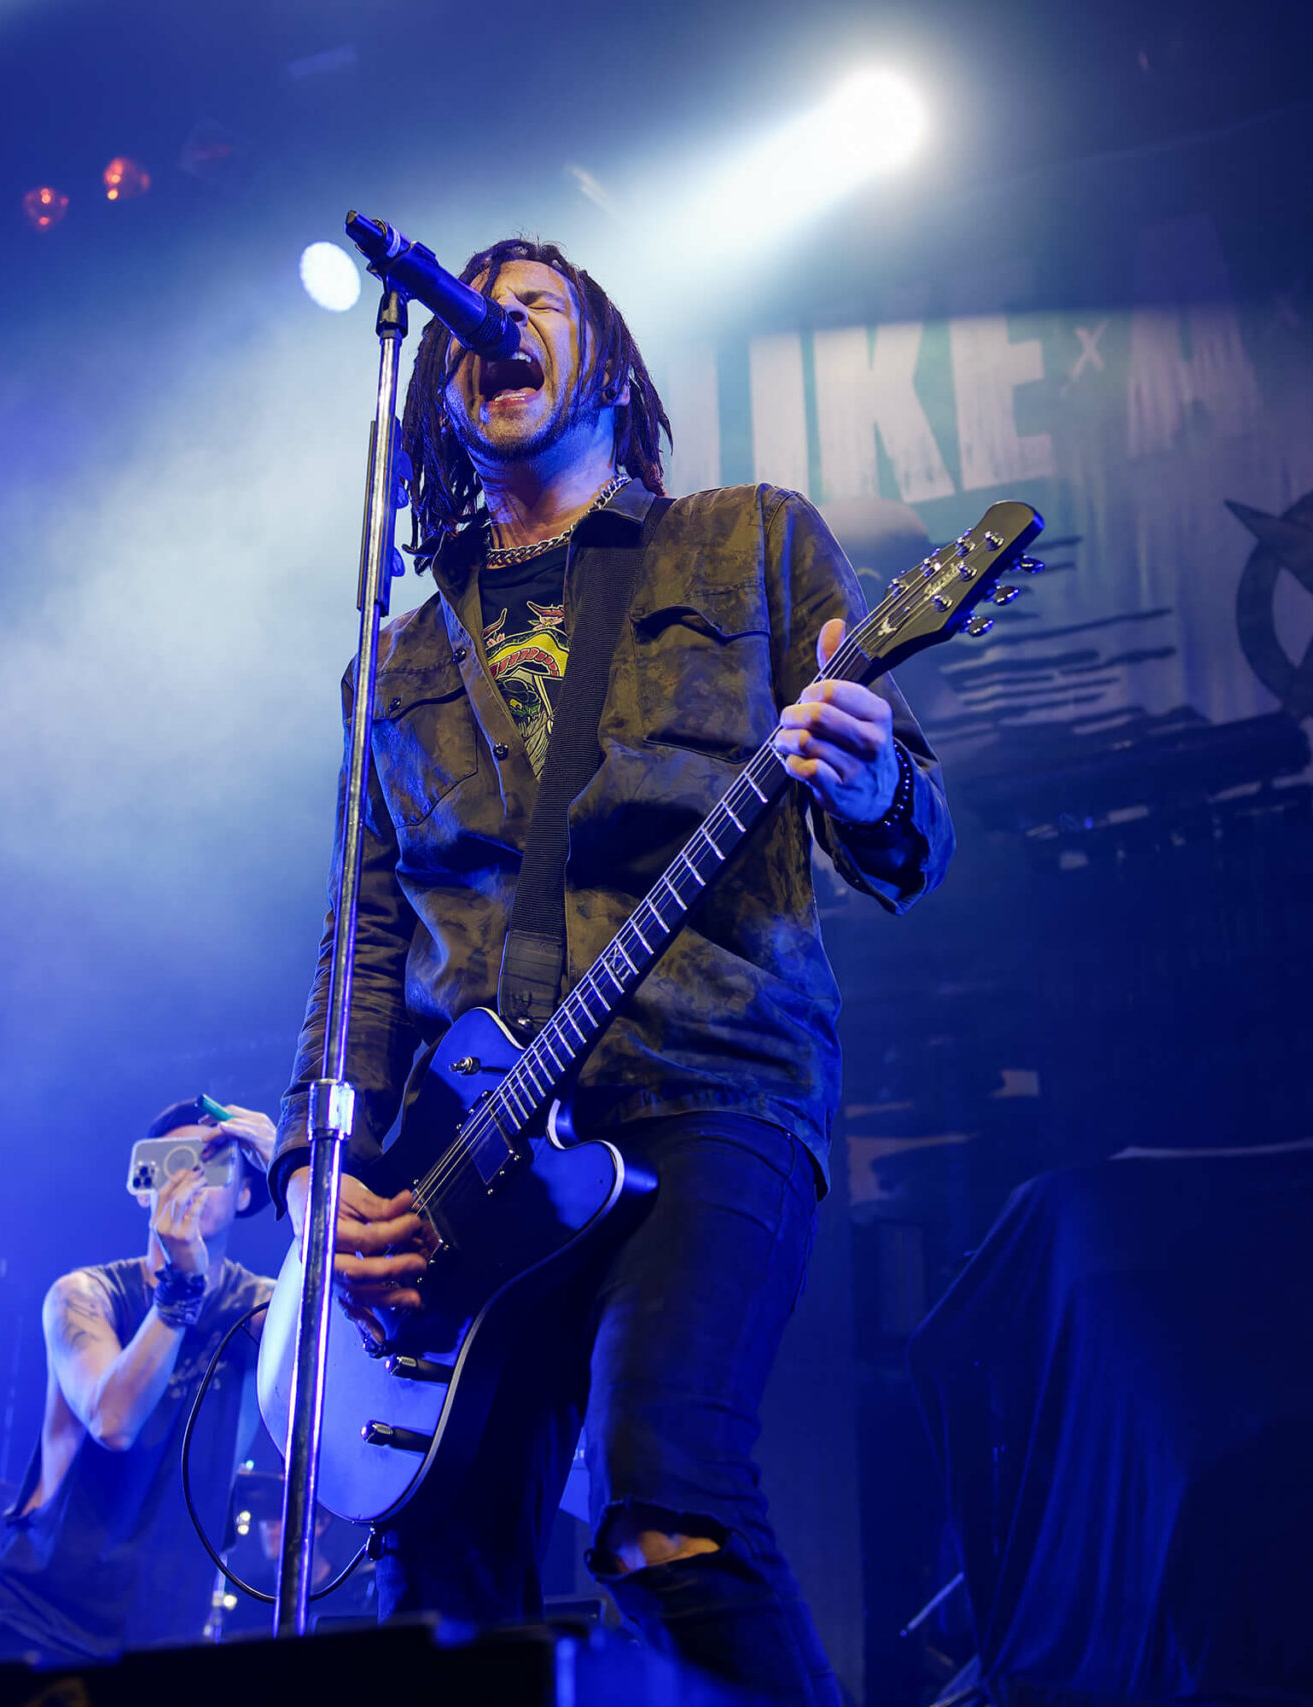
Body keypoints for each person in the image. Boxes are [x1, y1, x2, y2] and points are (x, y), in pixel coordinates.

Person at [278, 237, 951, 1705]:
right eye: (469, 320)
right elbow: (364, 936)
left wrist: (867, 780)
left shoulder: (748, 543)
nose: (493, 330)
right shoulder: (392, 659)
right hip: (467, 1153)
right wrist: (320, 1174)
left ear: (610, 362)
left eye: (534, 309)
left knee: (664, 1492)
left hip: (707, 1082)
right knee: (438, 1571)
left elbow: (912, 847)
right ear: (439, 397)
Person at [0, 1099, 278, 1664]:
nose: (190, 1177)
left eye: (212, 1162)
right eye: (174, 1161)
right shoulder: (84, 1295)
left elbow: (344, 1313)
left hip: (167, 1636)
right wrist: (179, 1288)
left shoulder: (258, 1305)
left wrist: (296, 1162)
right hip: (44, 1625)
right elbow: (113, 1423)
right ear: (144, 1187)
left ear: (244, 1193)